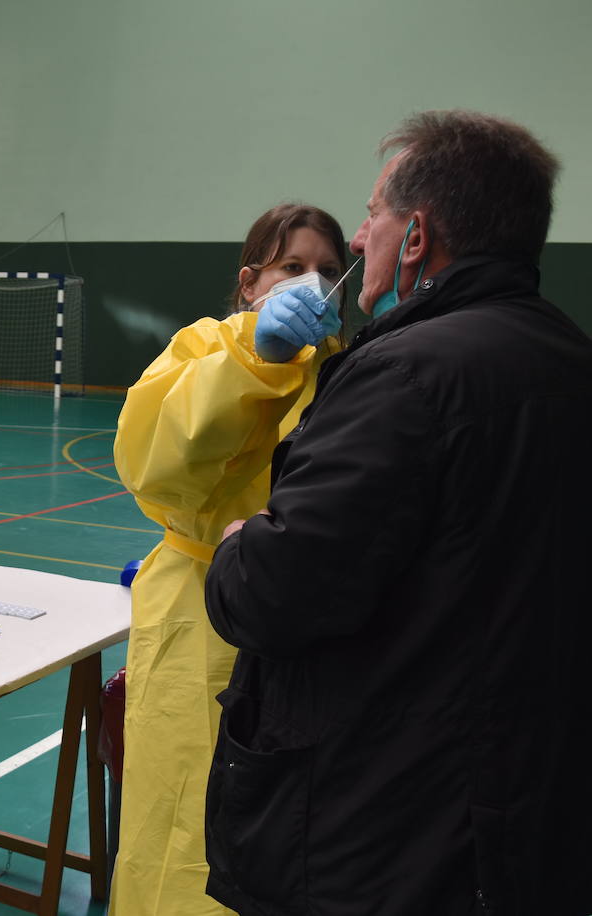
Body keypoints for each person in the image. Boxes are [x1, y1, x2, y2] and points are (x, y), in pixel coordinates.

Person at [204, 110, 592, 914]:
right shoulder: (567, 358)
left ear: (414, 238)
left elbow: (278, 593)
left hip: (390, 828)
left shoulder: (405, 375)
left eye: (372, 217)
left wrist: (242, 546)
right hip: (528, 807)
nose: (356, 241)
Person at [108, 203, 350, 916]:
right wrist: (256, 360)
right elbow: (156, 464)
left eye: (330, 272)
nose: (314, 284)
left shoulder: (344, 371)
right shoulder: (203, 348)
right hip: (199, 614)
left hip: (304, 623)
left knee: (286, 822)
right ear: (250, 283)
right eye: (292, 268)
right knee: (184, 815)